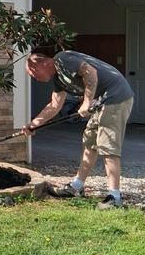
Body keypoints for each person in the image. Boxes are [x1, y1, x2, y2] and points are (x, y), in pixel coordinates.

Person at [23, 48, 134, 209]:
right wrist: (33, 124)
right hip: (101, 103)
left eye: (33, 73)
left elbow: (90, 72)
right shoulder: (58, 79)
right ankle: (76, 186)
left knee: (108, 147)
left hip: (116, 97)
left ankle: (114, 197)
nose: (33, 77)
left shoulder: (62, 59)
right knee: (90, 142)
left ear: (43, 64)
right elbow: (54, 105)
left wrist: (87, 102)